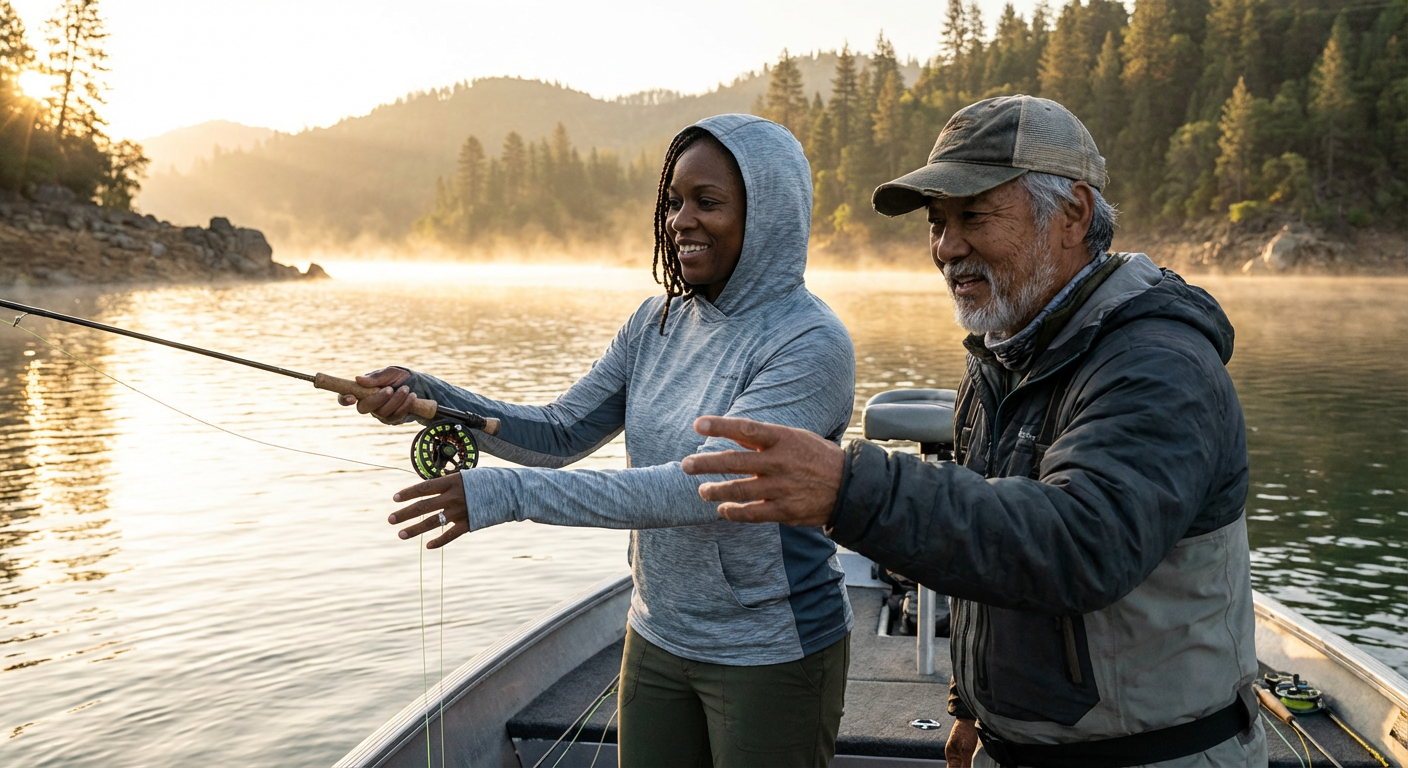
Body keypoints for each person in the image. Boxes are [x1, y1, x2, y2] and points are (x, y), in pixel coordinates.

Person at [681, 95, 1267, 768]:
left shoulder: (1157, 362)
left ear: (1073, 214)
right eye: (937, 222)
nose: (946, 248)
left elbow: (1082, 541)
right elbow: (992, 551)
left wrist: (851, 486)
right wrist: (971, 707)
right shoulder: (1004, 354)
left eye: (974, 216)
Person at [340, 114, 855, 767]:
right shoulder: (655, 321)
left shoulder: (810, 344)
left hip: (774, 648)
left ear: (771, 213)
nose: (680, 221)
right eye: (673, 202)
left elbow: (708, 486)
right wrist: (430, 400)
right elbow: (561, 432)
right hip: (656, 632)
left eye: (708, 202)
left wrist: (506, 493)